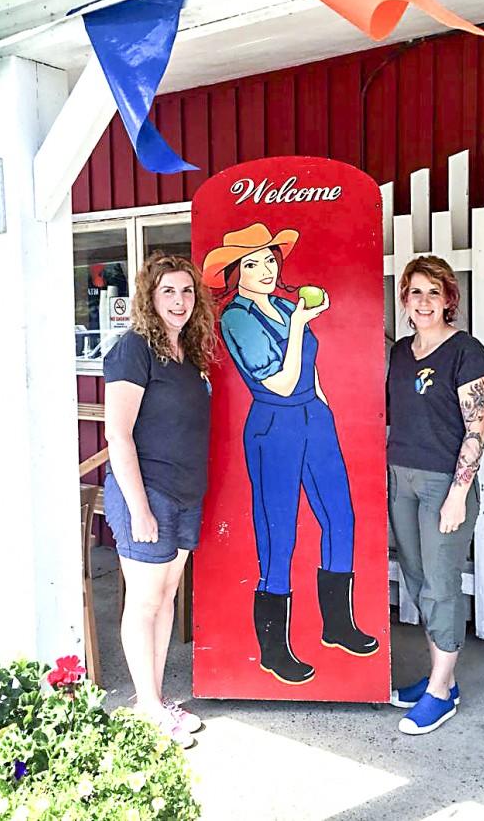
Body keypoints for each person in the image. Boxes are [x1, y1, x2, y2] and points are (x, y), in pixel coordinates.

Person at [202, 223, 378, 686]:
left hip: (312, 417)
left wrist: (322, 405)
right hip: (274, 425)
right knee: (279, 533)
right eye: (252, 263)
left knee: (340, 517)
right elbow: (279, 383)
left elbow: (309, 369)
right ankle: (274, 650)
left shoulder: (284, 304)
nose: (265, 270)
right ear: (234, 273)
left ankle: (338, 625)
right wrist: (299, 327)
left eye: (269, 260)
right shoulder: (235, 319)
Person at [103, 252, 216, 746]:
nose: (179, 300)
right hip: (148, 493)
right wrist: (140, 508)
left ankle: (155, 698)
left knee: (166, 597)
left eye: (187, 291)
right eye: (168, 291)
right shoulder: (134, 350)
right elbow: (118, 435)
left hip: (186, 493)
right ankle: (147, 707)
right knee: (144, 601)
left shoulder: (187, 354)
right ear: (150, 298)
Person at [387, 255, 484, 735]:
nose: (424, 301)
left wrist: (458, 493)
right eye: (416, 292)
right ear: (405, 299)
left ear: (449, 299)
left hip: (444, 485)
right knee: (415, 579)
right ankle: (441, 679)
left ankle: (439, 694)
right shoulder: (399, 352)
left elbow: (477, 427)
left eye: (434, 292)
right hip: (401, 479)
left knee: (440, 585)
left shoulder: (466, 351)